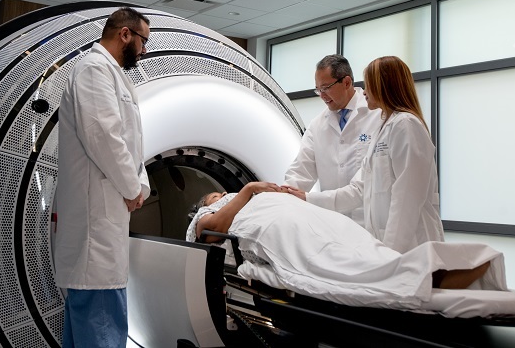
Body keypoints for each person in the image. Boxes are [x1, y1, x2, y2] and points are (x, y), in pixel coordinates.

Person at [186, 187, 495, 310]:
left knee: (353, 241)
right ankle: (416, 277)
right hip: (275, 223)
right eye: (215, 195)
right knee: (330, 256)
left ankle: (405, 268)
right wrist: (251, 190)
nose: (222, 192)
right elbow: (212, 233)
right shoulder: (211, 213)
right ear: (206, 206)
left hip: (303, 214)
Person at [53, 7, 152, 348]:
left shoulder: (107, 73)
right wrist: (131, 187)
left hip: (105, 216)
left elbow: (129, 143)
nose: (143, 50)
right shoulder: (93, 70)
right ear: (125, 34)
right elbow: (104, 136)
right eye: (143, 41)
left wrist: (140, 184)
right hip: (96, 221)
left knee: (87, 322)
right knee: (99, 320)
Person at [285, 56, 444, 254]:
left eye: (369, 85)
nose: (365, 91)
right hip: (368, 239)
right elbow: (359, 189)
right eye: (319, 89)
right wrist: (290, 196)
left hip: (408, 245)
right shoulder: (383, 128)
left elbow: (406, 201)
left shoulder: (404, 124)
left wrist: (390, 255)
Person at [283, 55, 383, 224]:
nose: (321, 95)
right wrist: (282, 196)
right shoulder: (317, 125)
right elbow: (301, 171)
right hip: (333, 223)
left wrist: (308, 198)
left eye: (326, 88)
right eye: (318, 90)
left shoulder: (378, 115)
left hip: (371, 221)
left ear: (346, 82)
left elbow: (365, 185)